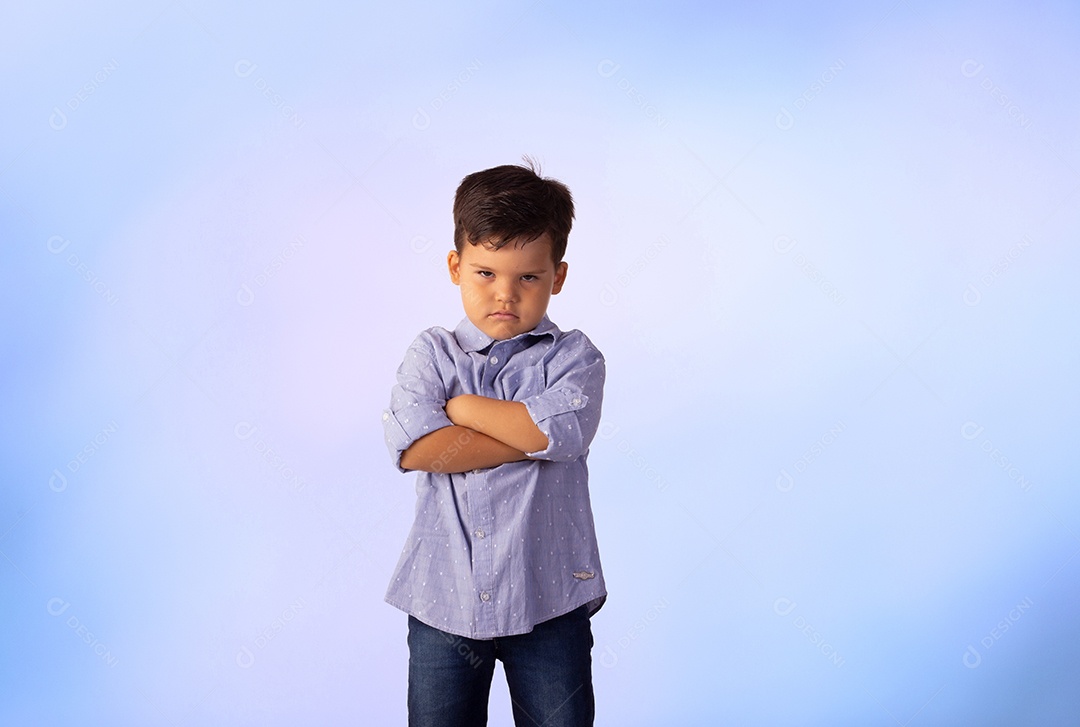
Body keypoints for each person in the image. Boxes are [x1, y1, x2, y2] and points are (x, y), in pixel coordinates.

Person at [381, 161, 607, 727]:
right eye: (485, 273)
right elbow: (416, 448)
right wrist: (531, 435)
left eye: (527, 277)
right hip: (444, 596)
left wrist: (461, 411)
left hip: (549, 599)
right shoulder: (432, 353)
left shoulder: (575, 358)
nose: (504, 294)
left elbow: (563, 431)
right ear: (456, 266)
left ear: (556, 276)